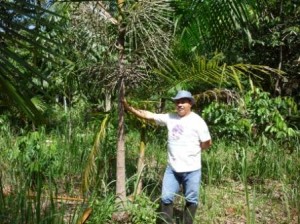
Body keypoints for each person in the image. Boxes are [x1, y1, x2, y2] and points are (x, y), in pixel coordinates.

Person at [123, 90, 212, 224]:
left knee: (191, 199)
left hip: (192, 170)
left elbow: (207, 142)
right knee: (166, 198)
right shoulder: (170, 117)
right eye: (177, 102)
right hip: (172, 169)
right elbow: (149, 115)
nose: (180, 105)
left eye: (183, 102)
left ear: (190, 104)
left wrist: (195, 151)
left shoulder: (197, 121)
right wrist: (129, 108)